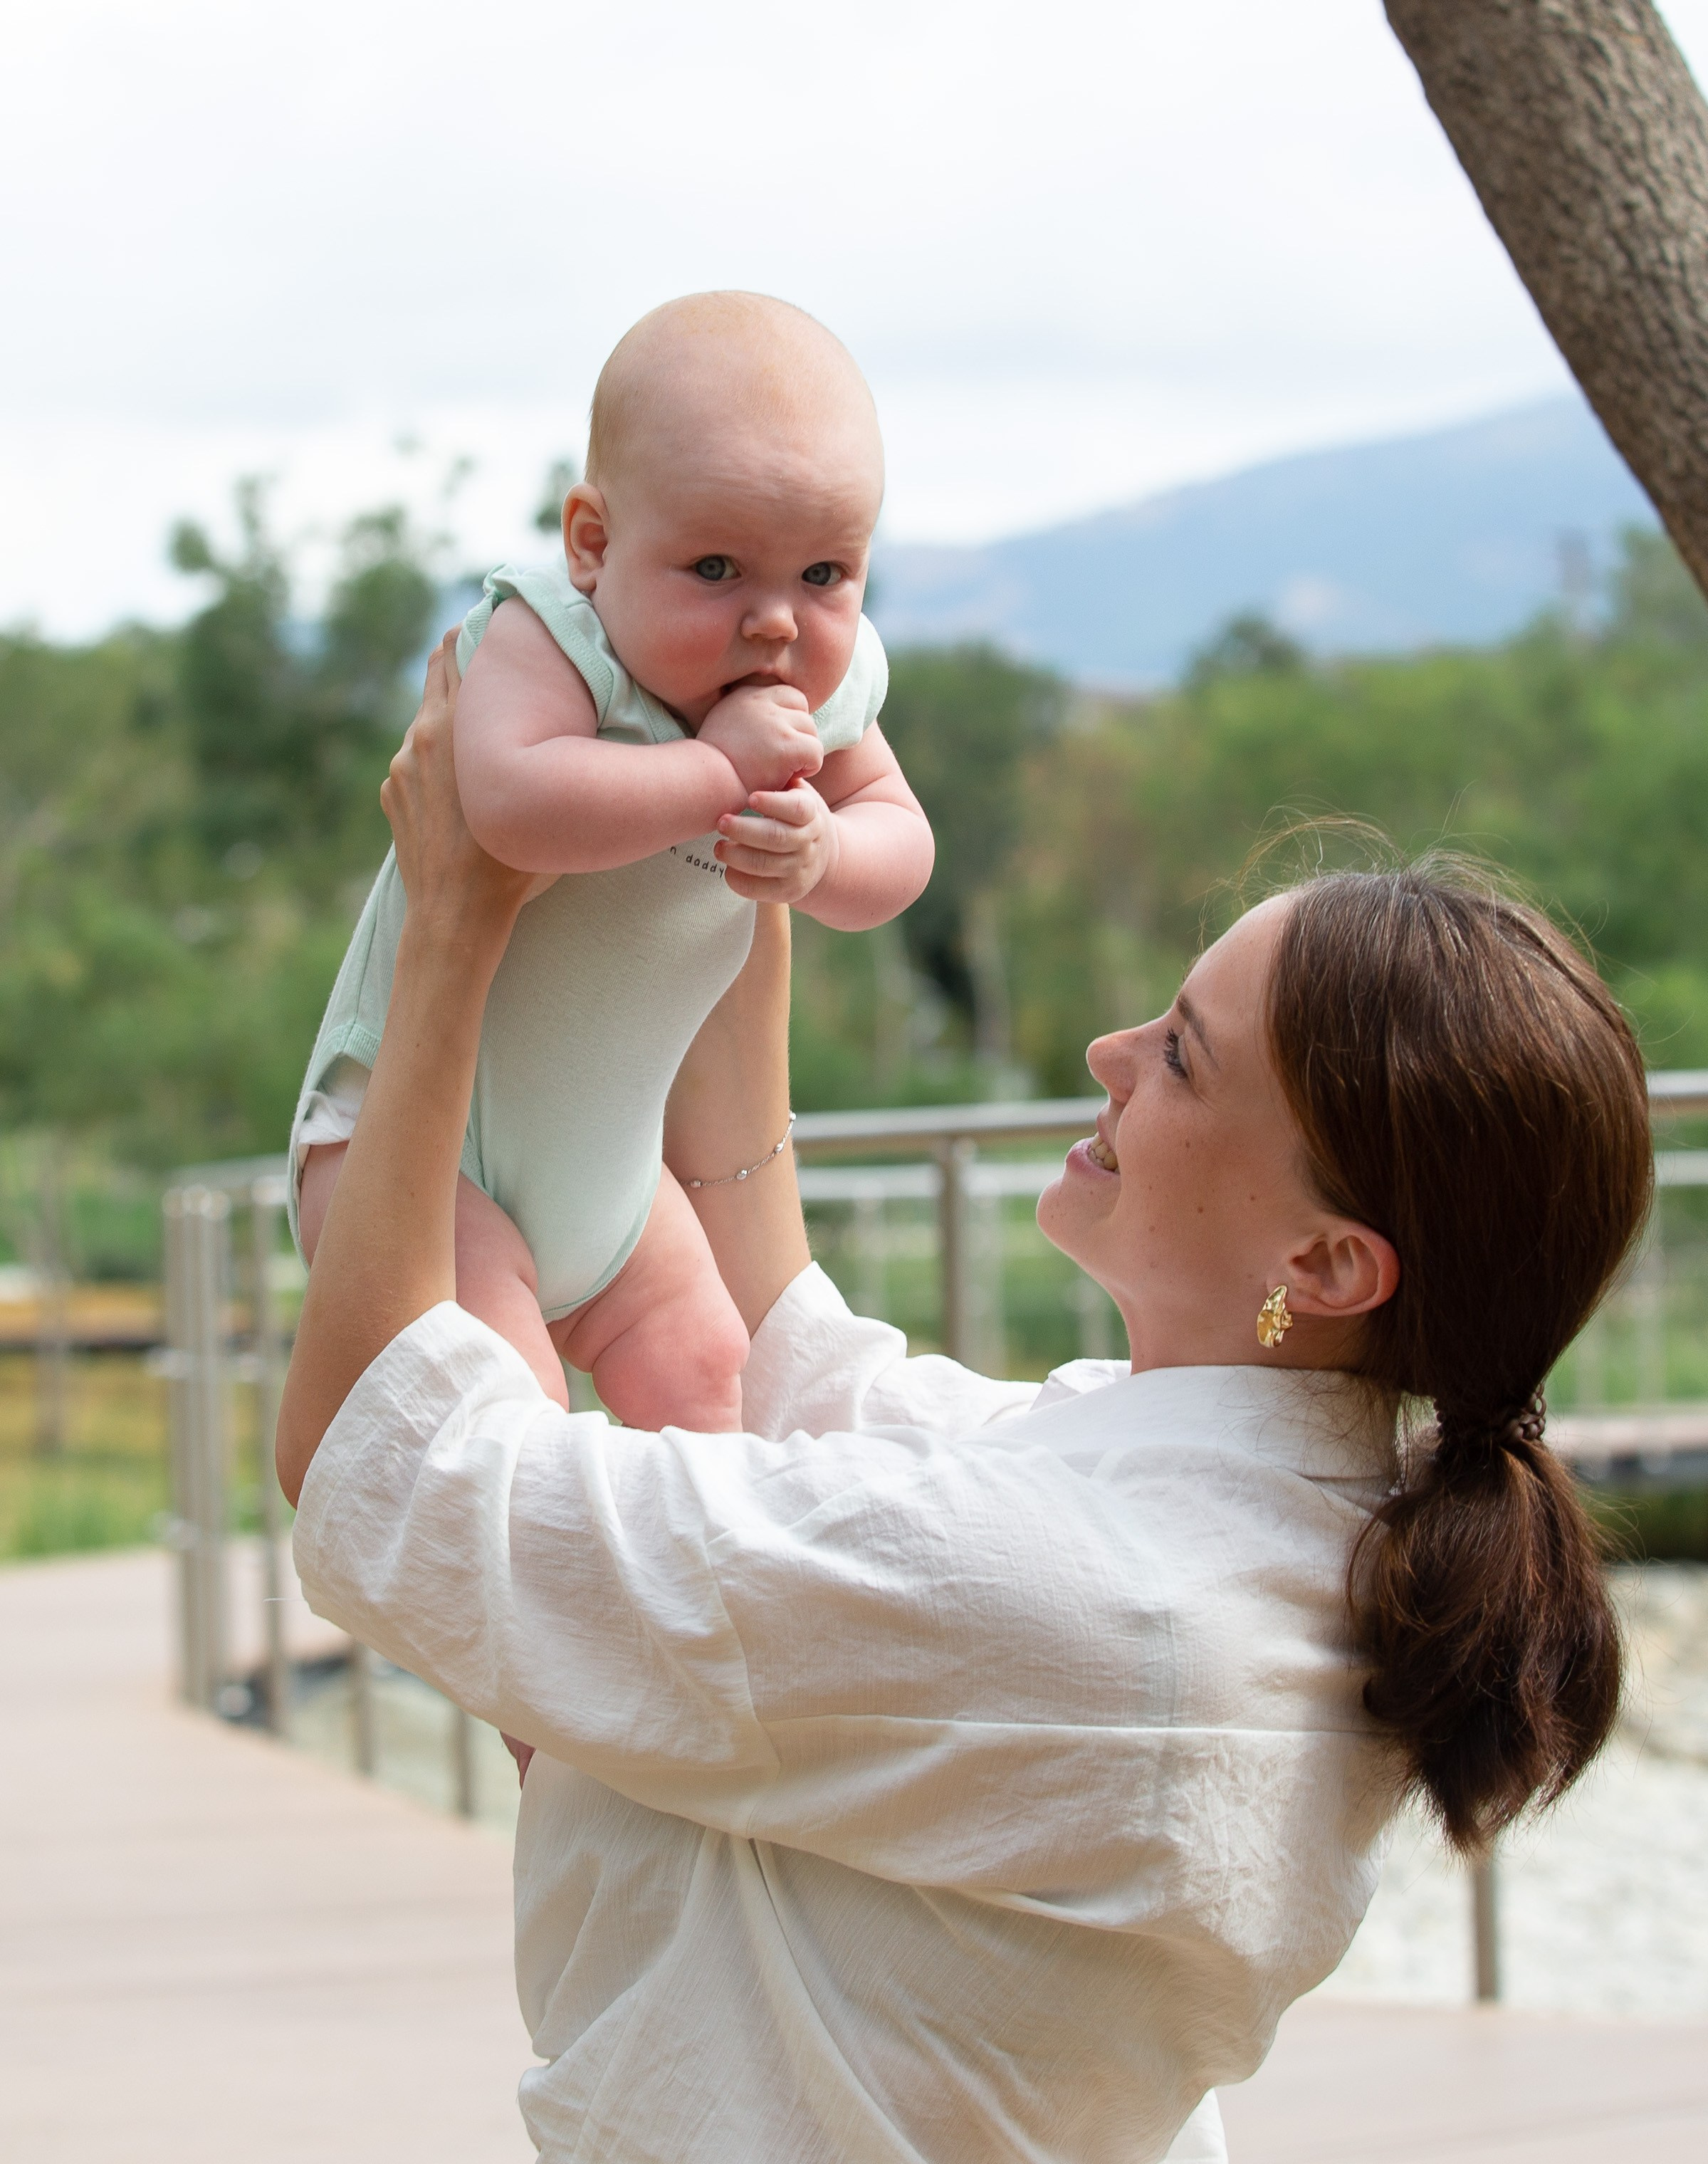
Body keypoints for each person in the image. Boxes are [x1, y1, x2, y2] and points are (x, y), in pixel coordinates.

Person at [278, 645, 1650, 2164]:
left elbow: (382, 1466)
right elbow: (777, 1317)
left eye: (1183, 1056)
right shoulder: (1235, 1526)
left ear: (1323, 1261)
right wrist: (756, 801)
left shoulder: (1092, 1605)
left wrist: (453, 925)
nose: (1110, 1056)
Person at [290, 292, 933, 1431]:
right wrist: (716, 772)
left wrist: (827, 849)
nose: (777, 623)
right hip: (424, 1161)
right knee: (504, 1418)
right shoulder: (554, 644)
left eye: (826, 576)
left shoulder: (825, 696)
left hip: (617, 1183)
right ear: (593, 542)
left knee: (707, 1377)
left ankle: (695, 1611)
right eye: (719, 567)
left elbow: (900, 842)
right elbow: (508, 806)